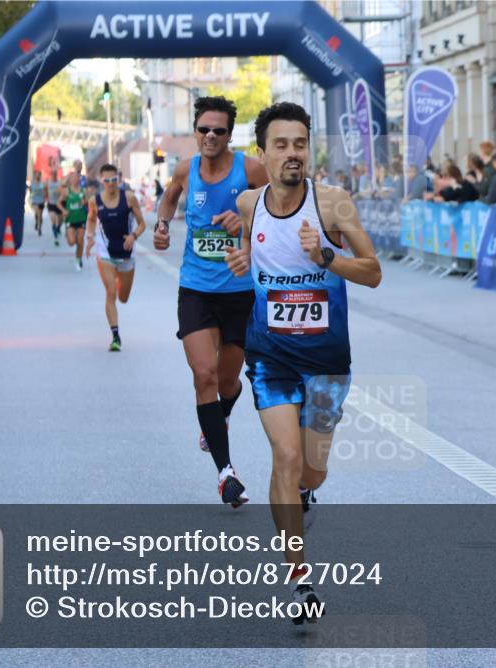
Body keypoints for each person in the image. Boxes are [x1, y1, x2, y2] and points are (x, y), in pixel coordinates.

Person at [225, 101, 381, 623]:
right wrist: (239, 258)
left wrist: (327, 258)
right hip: (271, 356)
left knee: (312, 471)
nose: (293, 154)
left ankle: (303, 497)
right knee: (286, 460)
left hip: (328, 361)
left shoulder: (333, 203)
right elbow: (247, 250)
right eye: (282, 145)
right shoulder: (249, 203)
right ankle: (299, 577)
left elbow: (374, 272)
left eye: (300, 144)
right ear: (263, 153)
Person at [152, 96, 269, 507]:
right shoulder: (186, 169)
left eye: (219, 130)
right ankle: (226, 474)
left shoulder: (251, 170)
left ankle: (218, 417)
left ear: (229, 135)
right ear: (195, 131)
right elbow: (169, 197)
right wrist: (163, 225)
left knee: (226, 382)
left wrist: (248, 219)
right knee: (203, 375)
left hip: (240, 292)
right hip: (197, 289)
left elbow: (281, 209)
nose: (211, 136)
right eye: (204, 129)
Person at [85, 163, 146, 351]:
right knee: (110, 291)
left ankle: (120, 278)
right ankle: (115, 336)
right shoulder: (94, 201)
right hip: (106, 253)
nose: (111, 184)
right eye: (107, 180)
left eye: (114, 180)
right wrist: (89, 237)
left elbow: (142, 224)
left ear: (118, 180)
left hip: (127, 252)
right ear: (101, 181)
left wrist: (133, 236)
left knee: (123, 297)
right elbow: (92, 219)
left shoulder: (129, 198)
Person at [60, 171, 88, 270]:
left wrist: (85, 202)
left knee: (80, 241)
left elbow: (89, 203)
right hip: (70, 220)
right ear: (70, 180)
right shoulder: (67, 191)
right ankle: (68, 234)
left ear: (79, 179)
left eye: (77, 177)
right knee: (72, 242)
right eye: (73, 177)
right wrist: (63, 210)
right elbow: (58, 203)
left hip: (81, 219)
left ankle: (78, 259)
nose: (75, 179)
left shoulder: (83, 191)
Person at [46, 168, 63, 246]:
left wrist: (59, 192)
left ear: (56, 174)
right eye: (52, 174)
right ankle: (55, 237)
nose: (54, 175)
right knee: (53, 219)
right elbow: (45, 191)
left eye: (55, 174)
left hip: (59, 204)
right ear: (51, 175)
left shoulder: (59, 183)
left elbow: (63, 192)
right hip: (51, 204)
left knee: (60, 220)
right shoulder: (48, 183)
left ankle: (58, 228)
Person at [29, 170, 46, 235]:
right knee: (37, 213)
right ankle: (37, 224)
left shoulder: (42, 183)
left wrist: (44, 196)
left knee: (40, 215)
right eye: (36, 174)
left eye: (39, 174)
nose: (38, 176)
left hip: (41, 201)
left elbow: (44, 192)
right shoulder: (32, 184)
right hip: (35, 201)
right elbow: (30, 191)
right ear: (35, 175)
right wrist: (31, 197)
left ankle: (39, 227)